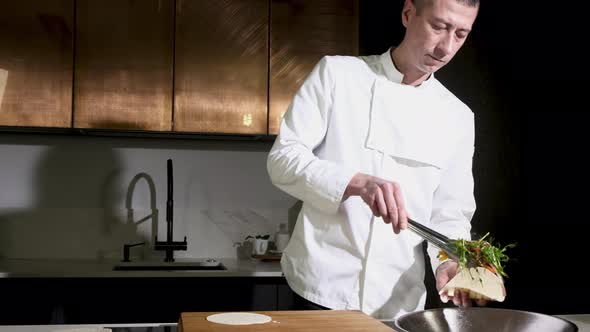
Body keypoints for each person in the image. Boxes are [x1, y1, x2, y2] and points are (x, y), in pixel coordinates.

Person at [267, 0, 483, 320]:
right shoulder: (338, 75)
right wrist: (357, 183)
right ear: (408, 14)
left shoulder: (458, 117)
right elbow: (283, 159)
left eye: (461, 34)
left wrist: (450, 262)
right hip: (319, 290)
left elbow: (450, 215)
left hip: (398, 302)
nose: (446, 47)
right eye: (438, 27)